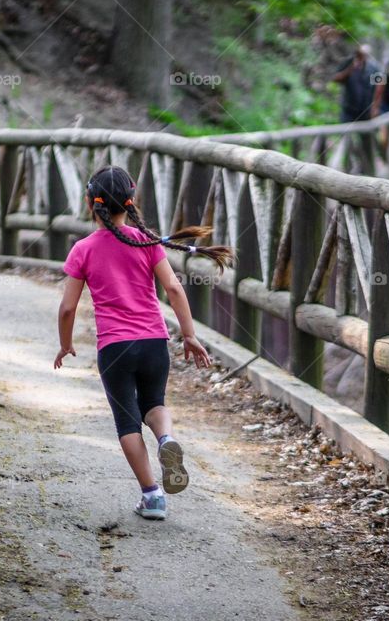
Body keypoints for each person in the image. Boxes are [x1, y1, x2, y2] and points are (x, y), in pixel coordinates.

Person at [53, 165, 233, 521]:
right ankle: (166, 440)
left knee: (127, 422)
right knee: (154, 403)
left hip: (115, 348)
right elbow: (174, 288)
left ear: (92, 205)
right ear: (130, 202)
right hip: (154, 341)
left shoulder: (83, 249)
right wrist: (190, 335)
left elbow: (68, 307)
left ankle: (152, 496)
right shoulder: (147, 241)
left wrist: (65, 343)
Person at [332, 44, 381, 123]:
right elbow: (336, 79)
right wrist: (350, 69)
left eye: (364, 55)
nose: (361, 57)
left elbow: (379, 86)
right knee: (345, 131)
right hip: (349, 109)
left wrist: (375, 107)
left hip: (365, 109)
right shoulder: (348, 62)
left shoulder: (373, 68)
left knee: (366, 133)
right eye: (359, 55)